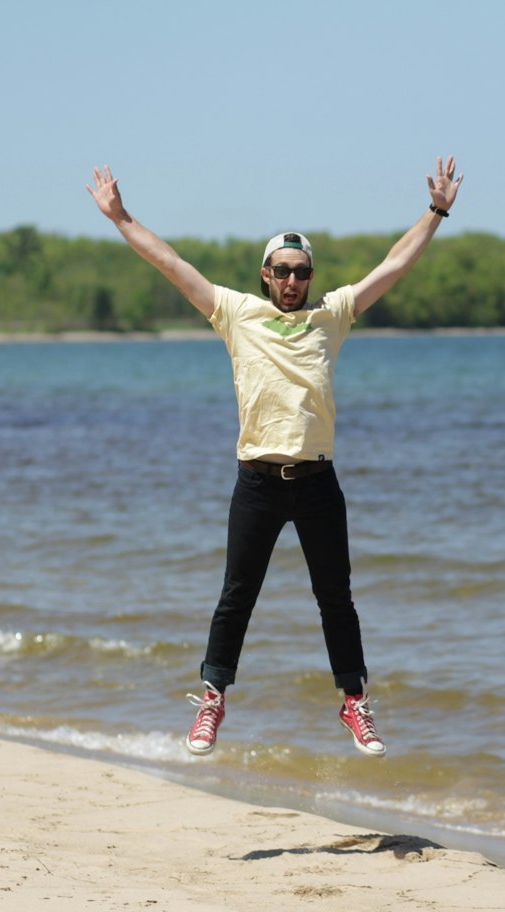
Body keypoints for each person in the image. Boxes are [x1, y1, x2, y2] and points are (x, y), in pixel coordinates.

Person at [86, 157, 463, 758]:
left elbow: (394, 265)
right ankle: (212, 699)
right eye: (282, 272)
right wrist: (121, 216)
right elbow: (174, 266)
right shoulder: (235, 314)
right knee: (237, 594)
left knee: (335, 596)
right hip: (258, 482)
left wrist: (436, 211)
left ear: (311, 277)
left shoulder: (331, 316)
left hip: (316, 482)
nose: (292, 282)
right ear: (265, 274)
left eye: (301, 273)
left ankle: (353, 701)